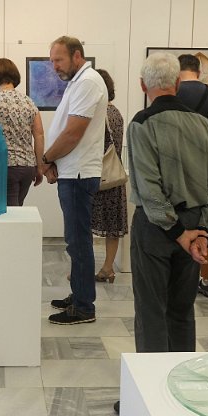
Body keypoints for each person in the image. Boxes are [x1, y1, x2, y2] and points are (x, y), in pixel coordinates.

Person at [125, 51, 208, 411]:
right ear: (179, 84)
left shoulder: (141, 124)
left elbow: (149, 188)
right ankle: (182, 392)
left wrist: (178, 232)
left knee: (152, 311)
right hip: (194, 226)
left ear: (143, 85)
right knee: (182, 311)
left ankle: (151, 397)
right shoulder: (202, 124)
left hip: (157, 230)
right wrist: (202, 231)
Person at [42, 36, 108, 325]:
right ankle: (79, 293)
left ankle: (84, 307)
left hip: (79, 174)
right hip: (72, 171)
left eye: (59, 60)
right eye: (52, 61)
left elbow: (72, 133)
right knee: (75, 241)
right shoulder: (77, 82)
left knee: (78, 242)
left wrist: (46, 159)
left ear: (77, 56)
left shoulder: (88, 82)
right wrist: (53, 161)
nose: (54, 66)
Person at [177, 54, 208, 298]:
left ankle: (182, 275)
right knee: (207, 220)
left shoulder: (174, 93)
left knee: (179, 219)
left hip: (179, 165)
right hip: (206, 162)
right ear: (199, 70)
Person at [0, 58, 45, 206]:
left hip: (4, 166)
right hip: (28, 166)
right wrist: (39, 167)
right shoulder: (28, 101)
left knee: (8, 213)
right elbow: (39, 135)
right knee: (16, 208)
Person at [91, 68, 127, 283]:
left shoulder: (98, 115)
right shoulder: (116, 113)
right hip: (113, 176)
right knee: (112, 225)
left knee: (83, 225)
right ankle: (107, 268)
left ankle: (82, 269)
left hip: (97, 176)